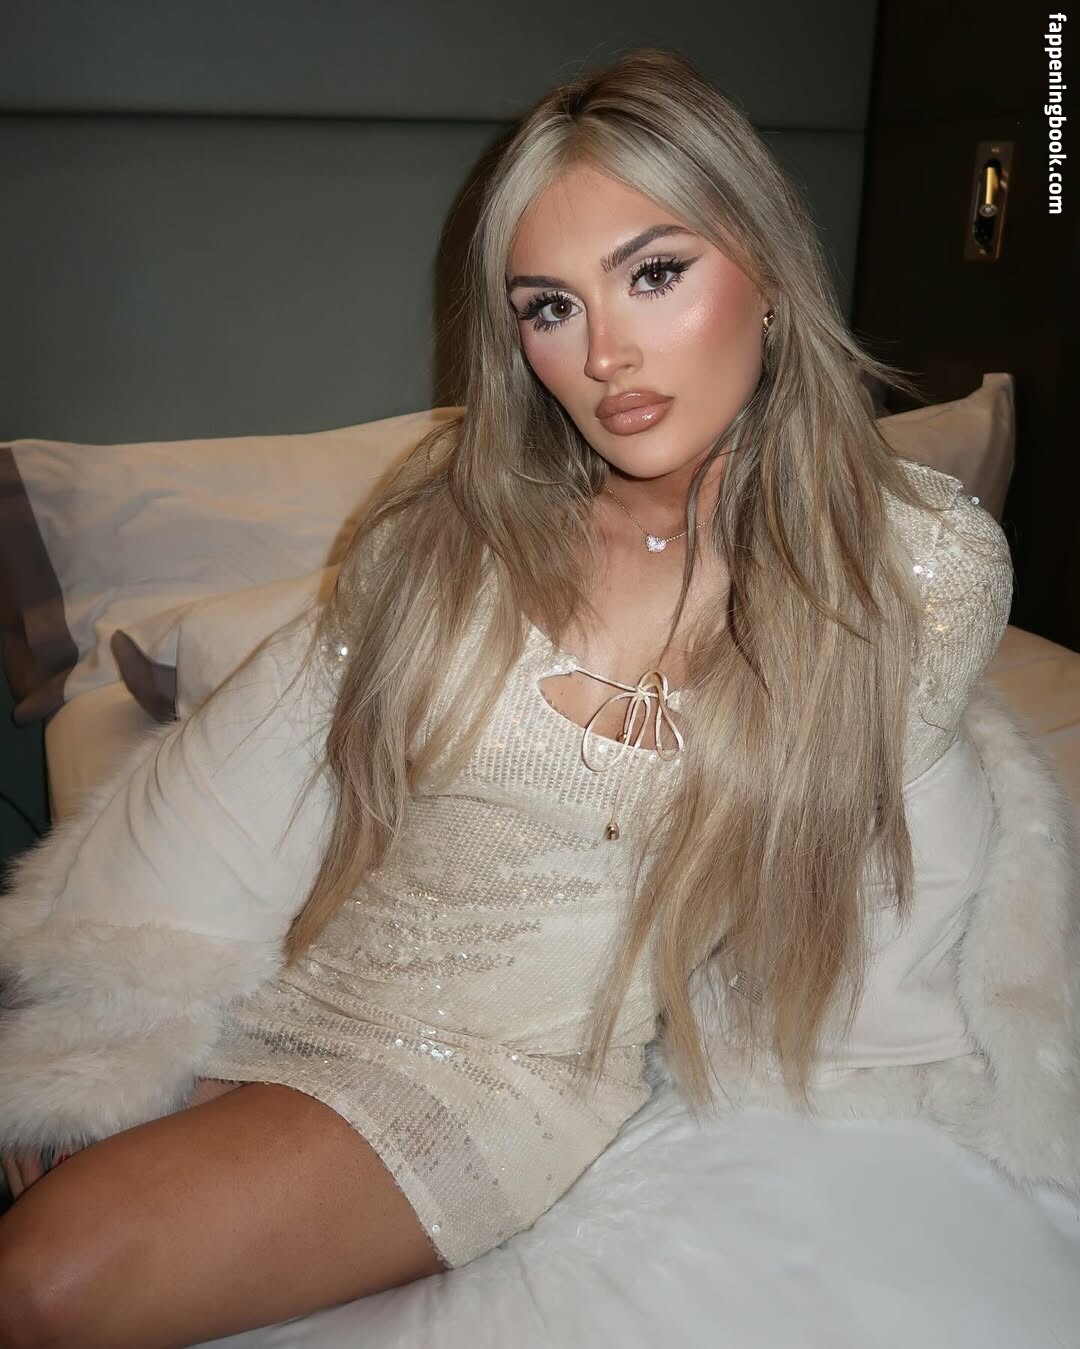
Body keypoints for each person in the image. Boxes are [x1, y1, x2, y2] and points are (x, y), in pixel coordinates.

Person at [1, 44, 1077, 1349]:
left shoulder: (916, 563)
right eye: (549, 306)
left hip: (496, 1071)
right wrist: (109, 1034)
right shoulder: (449, 526)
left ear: (771, 274)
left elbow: (883, 866)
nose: (606, 353)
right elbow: (262, 772)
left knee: (45, 1279)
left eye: (655, 274)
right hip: (307, 988)